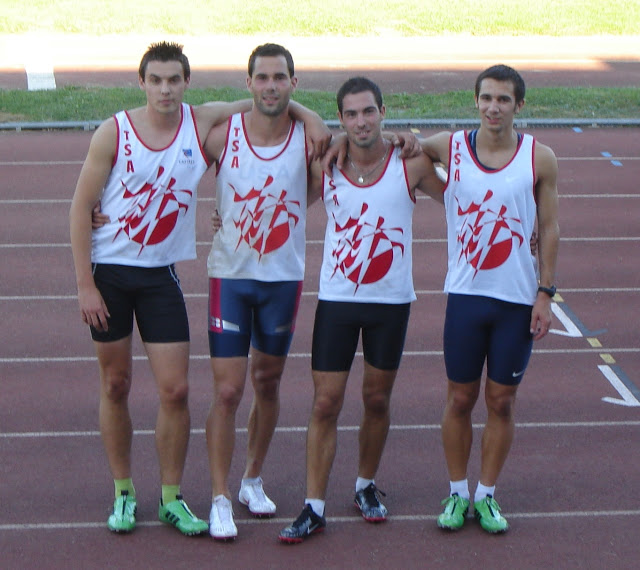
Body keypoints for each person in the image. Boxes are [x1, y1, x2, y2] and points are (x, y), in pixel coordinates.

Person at [70, 41, 329, 536]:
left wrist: (312, 115)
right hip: (110, 275)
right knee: (116, 383)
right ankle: (124, 492)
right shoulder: (114, 131)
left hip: (161, 275)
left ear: (187, 83)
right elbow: (80, 208)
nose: (165, 89)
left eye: (174, 80)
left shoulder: (201, 122)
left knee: (177, 389)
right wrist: (85, 285)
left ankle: (172, 496)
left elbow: (268, 101)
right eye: (156, 80)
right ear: (141, 83)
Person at [278, 77, 445, 543]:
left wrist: (527, 224)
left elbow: (462, 198)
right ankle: (313, 506)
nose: (360, 121)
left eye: (368, 112)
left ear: (383, 112)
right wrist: (222, 216)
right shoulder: (326, 164)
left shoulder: (409, 164)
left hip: (390, 303)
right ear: (341, 120)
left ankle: (365, 485)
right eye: (350, 114)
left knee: (376, 399)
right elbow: (281, 198)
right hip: (337, 301)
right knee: (326, 402)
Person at [202, 43, 337, 541]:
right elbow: (167, 170)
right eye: (262, 78)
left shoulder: (309, 141)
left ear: (293, 84)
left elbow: (323, 191)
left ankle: (250, 480)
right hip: (230, 277)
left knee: (268, 383)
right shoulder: (222, 135)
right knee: (228, 389)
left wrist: (311, 115)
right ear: (248, 83)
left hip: (282, 278)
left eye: (280, 78)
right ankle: (218, 498)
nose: (271, 86)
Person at [418, 64, 560, 533]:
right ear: (475, 102)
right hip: (466, 296)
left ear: (520, 105)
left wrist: (546, 293)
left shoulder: (540, 158)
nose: (493, 107)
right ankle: (457, 495)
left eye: (503, 99)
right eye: (486, 98)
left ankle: (488, 495)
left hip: (516, 300)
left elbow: (551, 227)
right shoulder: (449, 147)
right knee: (460, 398)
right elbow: (397, 151)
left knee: (502, 401)